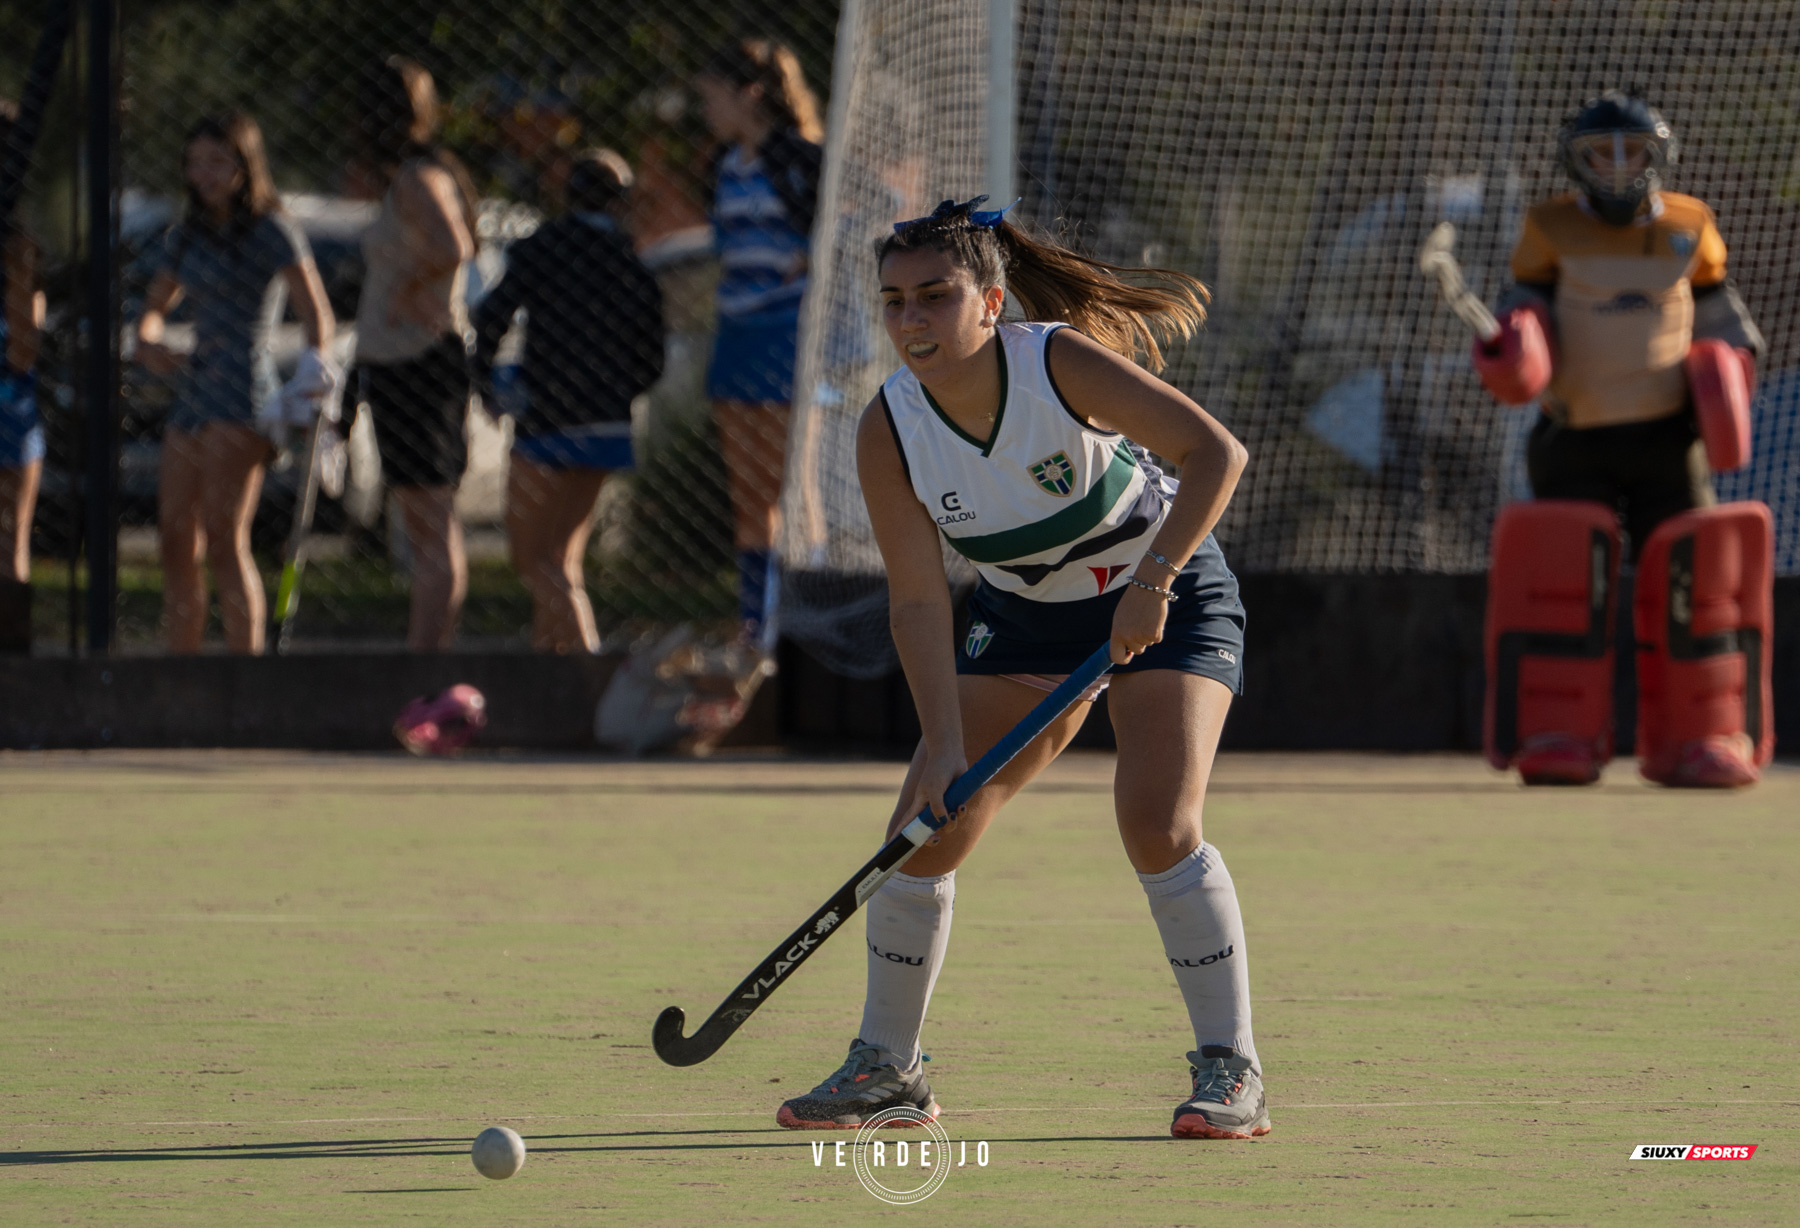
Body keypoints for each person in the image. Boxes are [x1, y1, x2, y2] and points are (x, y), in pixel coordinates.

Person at [774, 197, 1268, 1141]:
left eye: (935, 297)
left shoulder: (1055, 363)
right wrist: (947, 744)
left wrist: (1155, 578)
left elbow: (1217, 453)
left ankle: (1231, 1068)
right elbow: (919, 601)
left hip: (1167, 588)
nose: (912, 320)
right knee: (923, 831)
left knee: (1158, 823)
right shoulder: (890, 429)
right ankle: (889, 1068)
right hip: (1027, 618)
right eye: (893, 302)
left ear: (990, 301)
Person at [1473, 92, 1771, 788]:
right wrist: (1509, 353)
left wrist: (1734, 374)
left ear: (1658, 155)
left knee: (1695, 589)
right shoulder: (1547, 226)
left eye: (1630, 151)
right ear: (1571, 163)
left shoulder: (1692, 225)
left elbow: (1726, 321)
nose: (1615, 167)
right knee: (1569, 587)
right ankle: (1560, 733)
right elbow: (1528, 318)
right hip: (1574, 438)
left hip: (1671, 443)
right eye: (1597, 153)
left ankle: (1701, 736)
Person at [136, 111, 336, 655]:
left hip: (243, 391)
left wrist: (316, 371)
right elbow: (154, 310)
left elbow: (316, 312)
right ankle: (185, 664)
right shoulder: (188, 234)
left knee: (225, 536)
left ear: (244, 167)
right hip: (194, 387)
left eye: (217, 162)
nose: (203, 174)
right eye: (195, 163)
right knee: (177, 537)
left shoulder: (272, 228)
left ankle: (242, 670)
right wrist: (149, 340)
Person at [472, 149, 665, 653]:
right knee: (562, 558)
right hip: (607, 425)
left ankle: (587, 663)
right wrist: (617, 392)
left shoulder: (543, 247)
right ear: (618, 201)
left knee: (531, 559)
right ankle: (551, 674)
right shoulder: (631, 261)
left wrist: (486, 383)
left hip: (548, 420)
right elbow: (652, 359)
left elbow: (492, 315)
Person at [693, 38, 823, 652]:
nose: (706, 108)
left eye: (712, 94)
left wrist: (811, 255)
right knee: (746, 495)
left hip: (784, 337)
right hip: (736, 335)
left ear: (749, 92)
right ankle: (757, 628)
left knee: (789, 489)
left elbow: (855, 219)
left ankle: (804, 627)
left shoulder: (800, 156)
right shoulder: (725, 164)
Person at [352, 55, 479, 651]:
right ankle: (428, 651)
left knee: (430, 526)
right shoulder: (415, 176)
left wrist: (405, 291)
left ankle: (424, 663)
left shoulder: (416, 177)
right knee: (423, 523)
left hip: (418, 365)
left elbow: (457, 245)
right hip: (401, 363)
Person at [0, 99, 45, 652]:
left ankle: (14, 666)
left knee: (12, 540)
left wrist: (18, 278)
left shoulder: (18, 245)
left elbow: (23, 352)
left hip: (9, 405)